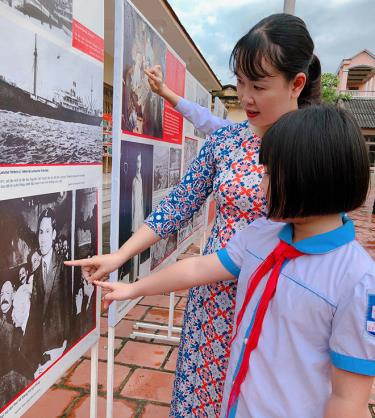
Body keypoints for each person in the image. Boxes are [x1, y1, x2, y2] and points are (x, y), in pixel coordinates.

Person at [67, 13, 322, 416]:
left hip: (281, 305)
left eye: (258, 86)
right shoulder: (226, 140)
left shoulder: (316, 149)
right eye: (240, 83)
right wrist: (119, 256)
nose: (246, 97)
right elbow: (179, 204)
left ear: (297, 84)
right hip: (215, 298)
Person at [95, 106, 374, 418]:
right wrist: (132, 289)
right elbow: (198, 268)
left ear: (311, 177)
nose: (259, 185)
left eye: (267, 173)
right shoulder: (263, 236)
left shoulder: (357, 281)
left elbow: (349, 401)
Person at [25, 208, 72, 378]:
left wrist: (67, 344)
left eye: (46, 232)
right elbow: (36, 314)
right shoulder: (37, 273)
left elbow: (69, 308)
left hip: (59, 345)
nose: (42, 238)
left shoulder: (63, 266)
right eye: (40, 232)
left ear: (53, 234)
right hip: (41, 350)